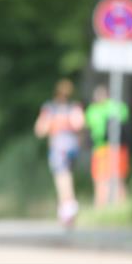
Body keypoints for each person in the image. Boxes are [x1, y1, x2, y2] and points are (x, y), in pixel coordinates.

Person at [34, 79, 85, 227]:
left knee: (62, 178)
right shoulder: (74, 107)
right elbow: (80, 125)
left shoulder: (50, 108)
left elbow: (39, 130)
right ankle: (67, 208)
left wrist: (53, 123)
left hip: (58, 147)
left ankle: (68, 208)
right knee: (67, 176)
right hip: (72, 147)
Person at [85, 84, 129, 206]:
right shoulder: (115, 106)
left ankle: (103, 205)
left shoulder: (94, 110)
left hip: (105, 148)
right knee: (113, 178)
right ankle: (118, 206)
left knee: (105, 179)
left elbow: (93, 128)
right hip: (112, 148)